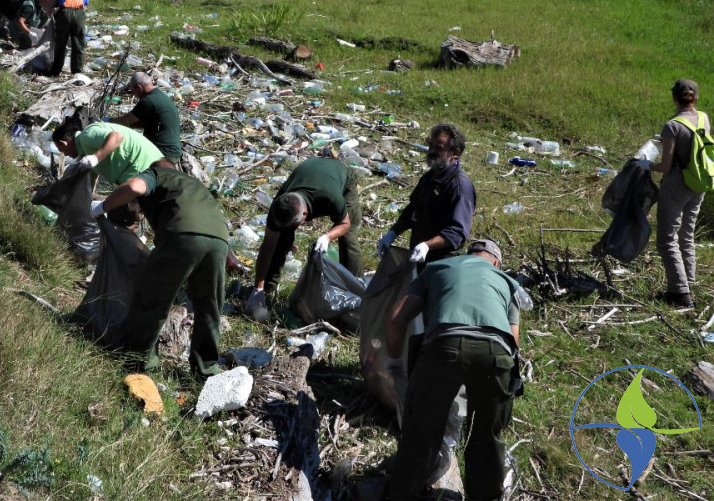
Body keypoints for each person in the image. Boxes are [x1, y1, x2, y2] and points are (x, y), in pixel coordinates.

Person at [385, 239, 522, 501]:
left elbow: (396, 319)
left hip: (443, 347)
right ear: (496, 262)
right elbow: (513, 342)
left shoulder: (437, 268)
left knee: (422, 430)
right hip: (496, 354)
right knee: (486, 435)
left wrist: (393, 361)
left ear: (469, 255)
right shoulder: (506, 281)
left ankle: (402, 494)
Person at [91, 164, 228, 379]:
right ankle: (206, 371)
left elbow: (134, 187)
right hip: (220, 240)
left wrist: (102, 207)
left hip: (182, 234)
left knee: (153, 298)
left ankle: (139, 362)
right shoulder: (194, 185)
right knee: (209, 307)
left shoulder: (157, 174)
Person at [245, 156, 364, 322]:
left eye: (296, 224)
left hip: (340, 174)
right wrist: (258, 288)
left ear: (306, 214)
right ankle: (267, 290)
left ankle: (356, 293)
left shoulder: (329, 197)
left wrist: (327, 237)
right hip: (311, 170)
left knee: (347, 238)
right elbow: (267, 247)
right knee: (281, 239)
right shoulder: (279, 206)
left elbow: (345, 224)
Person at [377, 123, 475, 266]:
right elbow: (413, 209)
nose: (431, 151)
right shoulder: (430, 177)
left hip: (442, 264)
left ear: (455, 153)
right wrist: (392, 233)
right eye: (430, 145)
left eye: (439, 147)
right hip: (419, 257)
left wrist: (427, 245)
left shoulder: (459, 187)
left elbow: (457, 232)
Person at [649, 78, 705, 309]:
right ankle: (689, 281)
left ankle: (680, 293)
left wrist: (645, 165)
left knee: (666, 239)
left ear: (674, 98)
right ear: (696, 98)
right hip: (699, 182)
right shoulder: (703, 118)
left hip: (676, 185)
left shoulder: (671, 126)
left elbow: (665, 166)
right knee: (686, 234)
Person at [110, 71, 182, 166]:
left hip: (162, 153)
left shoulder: (148, 101)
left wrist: (107, 121)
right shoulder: (159, 96)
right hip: (172, 151)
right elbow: (143, 123)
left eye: (133, 90)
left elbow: (125, 121)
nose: (133, 93)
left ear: (139, 88)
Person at [49, 0, 89, 76]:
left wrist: (49, 13)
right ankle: (77, 71)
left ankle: (56, 70)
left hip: (64, 13)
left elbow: (52, 3)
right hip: (79, 13)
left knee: (61, 42)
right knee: (78, 43)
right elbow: (85, 6)